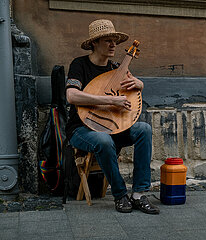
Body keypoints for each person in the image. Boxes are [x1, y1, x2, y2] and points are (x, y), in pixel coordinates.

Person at [65, 19, 159, 214]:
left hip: (113, 126)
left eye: (114, 41)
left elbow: (131, 95)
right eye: (107, 40)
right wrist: (108, 101)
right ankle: (120, 194)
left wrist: (139, 85)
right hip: (82, 129)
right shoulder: (79, 65)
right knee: (103, 140)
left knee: (144, 130)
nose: (113, 45)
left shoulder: (117, 67)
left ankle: (139, 193)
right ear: (94, 43)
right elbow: (72, 95)